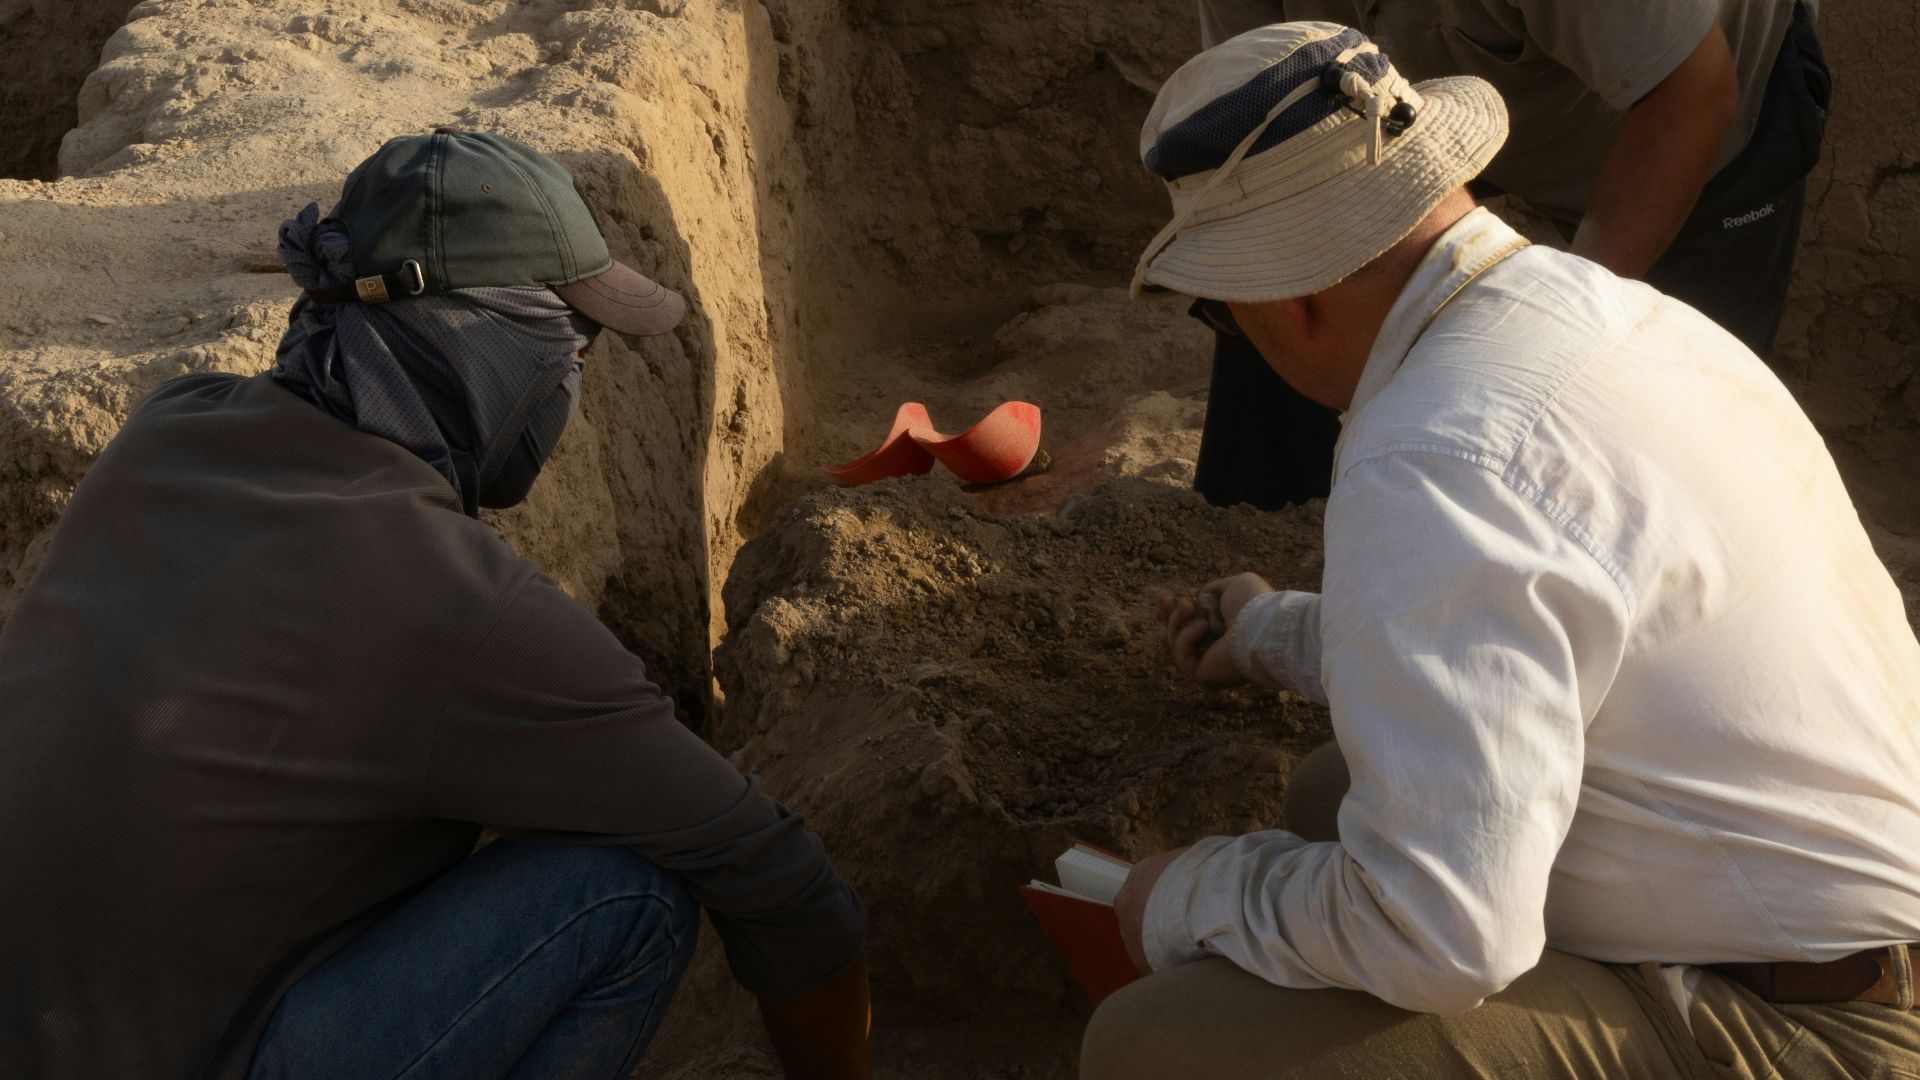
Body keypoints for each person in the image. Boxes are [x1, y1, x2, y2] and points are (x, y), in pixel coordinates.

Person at [1088, 22, 1920, 1078]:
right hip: (1843, 920)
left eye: (1218, 308)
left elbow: (1442, 931)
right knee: (1329, 793)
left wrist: (1190, 893)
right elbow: (1543, 622)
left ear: (1291, 300)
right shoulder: (1616, 315)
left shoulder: (1428, 458)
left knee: (1155, 1044)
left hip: (1814, 1031)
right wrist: (1281, 634)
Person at [0, 130, 870, 1080]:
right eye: (567, 342)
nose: (571, 383)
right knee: (626, 894)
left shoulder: (172, 427)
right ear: (479, 339)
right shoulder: (455, 607)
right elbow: (782, 881)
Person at [1189, 0, 1830, 511]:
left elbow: (1695, 94)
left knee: (1664, 436)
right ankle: (1265, 521)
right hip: (1425, 111)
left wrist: (1559, 334)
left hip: (1695, 109)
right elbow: (1260, 156)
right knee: (1273, 279)